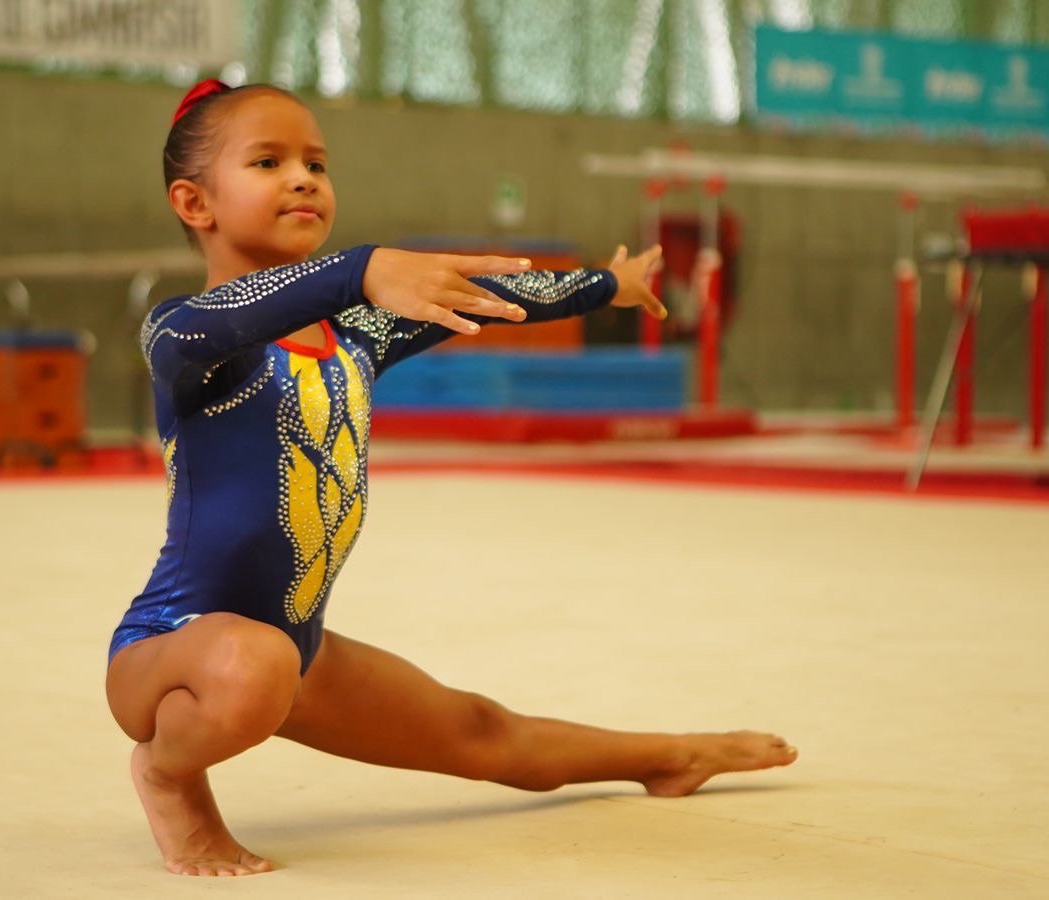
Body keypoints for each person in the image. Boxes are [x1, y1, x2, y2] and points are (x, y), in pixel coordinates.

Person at [105, 79, 798, 877]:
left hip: (295, 655)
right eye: (269, 161)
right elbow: (242, 313)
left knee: (484, 734)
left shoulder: (355, 334)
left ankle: (670, 755)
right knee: (254, 664)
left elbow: (492, 295)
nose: (304, 178)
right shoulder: (182, 336)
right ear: (195, 204)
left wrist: (609, 285)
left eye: (317, 164)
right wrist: (361, 269)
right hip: (171, 655)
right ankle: (168, 772)